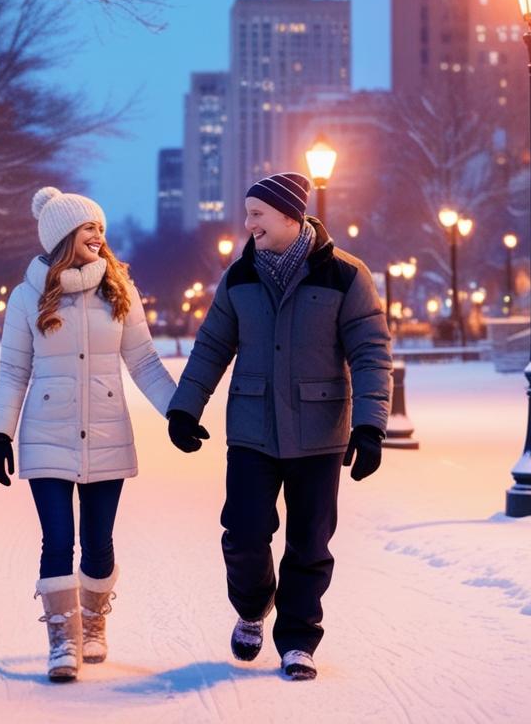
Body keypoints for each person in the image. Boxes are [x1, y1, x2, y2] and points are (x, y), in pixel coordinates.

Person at [165, 171, 392, 681]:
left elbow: (371, 352)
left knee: (310, 541)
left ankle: (297, 640)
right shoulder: (240, 276)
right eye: (247, 215)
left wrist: (371, 425)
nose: (248, 225)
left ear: (290, 216)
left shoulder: (346, 276)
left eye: (257, 215)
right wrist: (186, 408)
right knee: (244, 532)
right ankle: (252, 606)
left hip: (319, 430)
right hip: (251, 426)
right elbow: (211, 346)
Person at [0, 186, 176, 683]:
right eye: (90, 227)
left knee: (98, 542)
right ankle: (62, 640)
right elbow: (12, 371)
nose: (100, 235)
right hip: (46, 433)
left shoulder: (120, 289)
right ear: (64, 235)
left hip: (108, 431)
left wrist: (178, 411)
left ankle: (93, 623)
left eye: (102, 228)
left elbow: (145, 361)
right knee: (57, 540)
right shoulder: (28, 296)